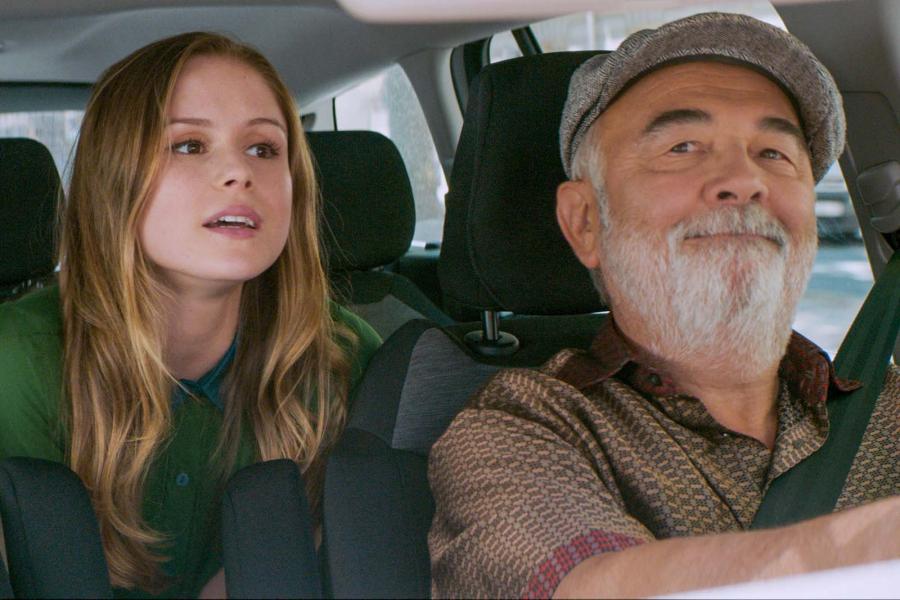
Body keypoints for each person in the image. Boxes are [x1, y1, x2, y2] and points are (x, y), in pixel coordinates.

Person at [428, 12, 899, 599]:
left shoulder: (891, 406)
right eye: (683, 147)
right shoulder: (519, 430)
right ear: (585, 221)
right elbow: (582, 587)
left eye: (775, 152)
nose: (744, 179)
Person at [0, 32, 381, 598]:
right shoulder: (16, 359)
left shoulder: (345, 356)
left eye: (263, 149)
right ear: (113, 176)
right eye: (189, 145)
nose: (239, 173)